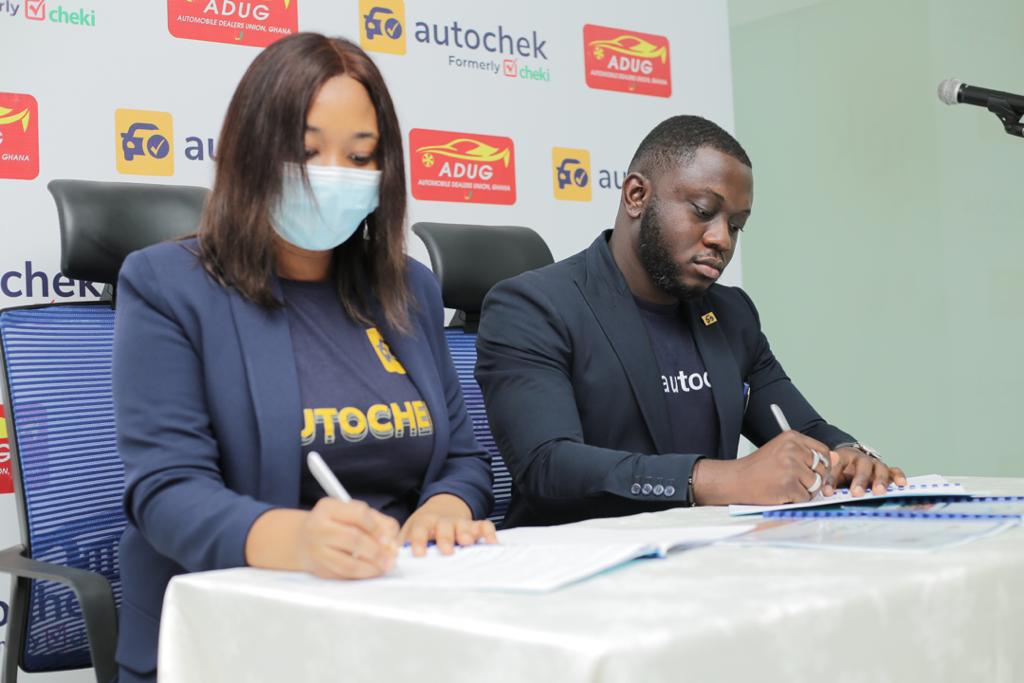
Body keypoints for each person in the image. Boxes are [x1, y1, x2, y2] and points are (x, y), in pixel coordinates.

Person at [113, 33, 496, 682]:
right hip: (233, 637)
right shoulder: (166, 285)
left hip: (399, 620)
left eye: (360, 156)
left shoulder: (408, 286)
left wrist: (446, 510)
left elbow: (461, 457)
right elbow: (167, 491)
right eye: (306, 150)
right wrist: (297, 539)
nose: (332, 174)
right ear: (251, 151)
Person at [475, 115, 906, 529]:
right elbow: (548, 465)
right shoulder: (534, 306)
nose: (721, 239)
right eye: (703, 211)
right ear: (636, 196)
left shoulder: (733, 314)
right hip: (577, 562)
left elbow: (803, 427)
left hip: (707, 556)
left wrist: (848, 454)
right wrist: (719, 479)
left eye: (736, 226)